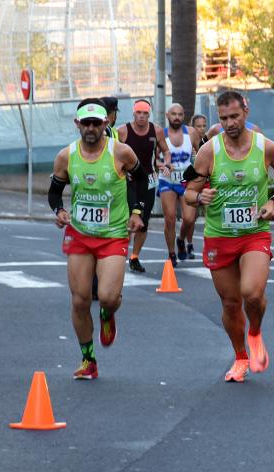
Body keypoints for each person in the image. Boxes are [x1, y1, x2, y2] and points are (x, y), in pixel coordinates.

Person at [184, 90, 274, 383]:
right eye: (223, 119)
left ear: (245, 112)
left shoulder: (265, 147)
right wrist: (200, 196)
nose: (230, 123)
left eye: (234, 116)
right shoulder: (209, 151)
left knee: (252, 294)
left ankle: (255, 333)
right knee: (231, 304)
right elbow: (189, 192)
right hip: (219, 236)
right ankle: (240, 357)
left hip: (254, 233)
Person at [47, 99, 145, 380]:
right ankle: (88, 359)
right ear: (77, 124)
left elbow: (142, 179)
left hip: (113, 234)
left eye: (96, 123)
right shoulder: (67, 156)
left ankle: (107, 314)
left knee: (108, 297)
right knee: (79, 301)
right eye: (85, 123)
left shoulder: (121, 152)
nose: (91, 129)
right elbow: (54, 192)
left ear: (106, 124)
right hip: (80, 234)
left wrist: (137, 212)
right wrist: (60, 210)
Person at [118, 99, 171, 273]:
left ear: (149, 114)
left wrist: (167, 164)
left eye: (145, 113)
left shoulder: (156, 131)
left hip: (148, 180)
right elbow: (113, 153)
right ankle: (119, 256)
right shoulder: (123, 131)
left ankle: (134, 257)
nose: (141, 116)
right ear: (133, 113)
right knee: (128, 218)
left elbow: (166, 151)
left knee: (143, 222)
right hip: (129, 180)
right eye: (138, 113)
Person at [159, 103, 202, 265]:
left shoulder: (191, 133)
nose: (177, 117)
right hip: (167, 181)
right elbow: (154, 159)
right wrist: (161, 165)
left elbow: (202, 152)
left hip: (186, 181)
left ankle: (181, 239)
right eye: (173, 114)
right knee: (169, 219)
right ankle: (171, 254)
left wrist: (198, 169)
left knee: (189, 219)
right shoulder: (160, 135)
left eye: (180, 114)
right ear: (167, 116)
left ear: (183, 116)